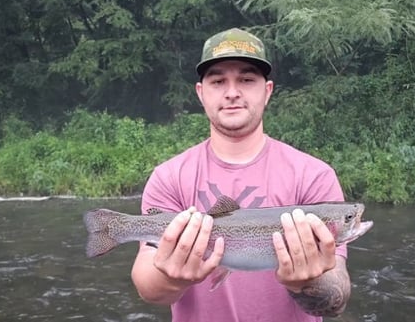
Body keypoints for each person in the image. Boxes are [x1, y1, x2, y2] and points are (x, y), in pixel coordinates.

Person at [131, 28, 351, 322]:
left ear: (267, 91)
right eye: (218, 80)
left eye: (247, 79)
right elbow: (148, 287)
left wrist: (305, 284)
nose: (232, 92)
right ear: (201, 93)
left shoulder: (314, 175)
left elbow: (336, 298)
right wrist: (176, 279)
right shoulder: (168, 176)